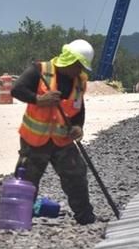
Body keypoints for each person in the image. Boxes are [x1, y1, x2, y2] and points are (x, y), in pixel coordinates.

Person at [11, 39, 96, 225]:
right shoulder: (39, 71)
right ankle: (18, 219)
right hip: (34, 140)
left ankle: (85, 217)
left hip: (62, 140)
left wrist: (78, 127)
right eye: (78, 66)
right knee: (27, 180)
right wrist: (38, 99)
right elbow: (16, 90)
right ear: (70, 62)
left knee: (76, 176)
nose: (80, 71)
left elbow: (78, 106)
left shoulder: (80, 81)